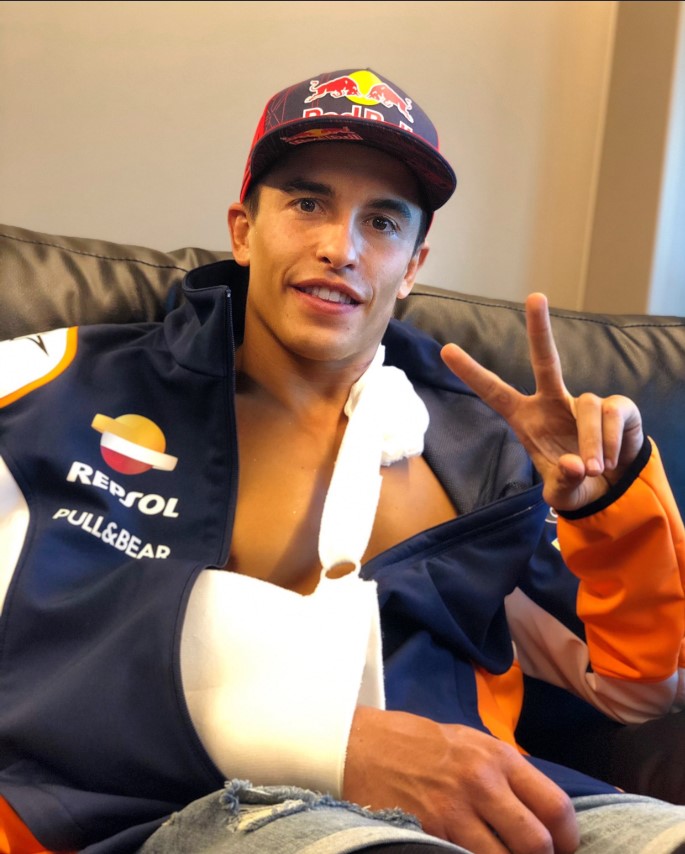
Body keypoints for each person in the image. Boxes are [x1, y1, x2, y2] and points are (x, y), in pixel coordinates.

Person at [1, 67, 685, 854]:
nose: (340, 248)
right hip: (177, 810)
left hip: (499, 808)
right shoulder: (54, 388)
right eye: (306, 203)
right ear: (243, 230)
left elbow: (638, 691)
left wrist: (605, 508)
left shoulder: (484, 450)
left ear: (413, 266)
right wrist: (335, 743)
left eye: (382, 221)